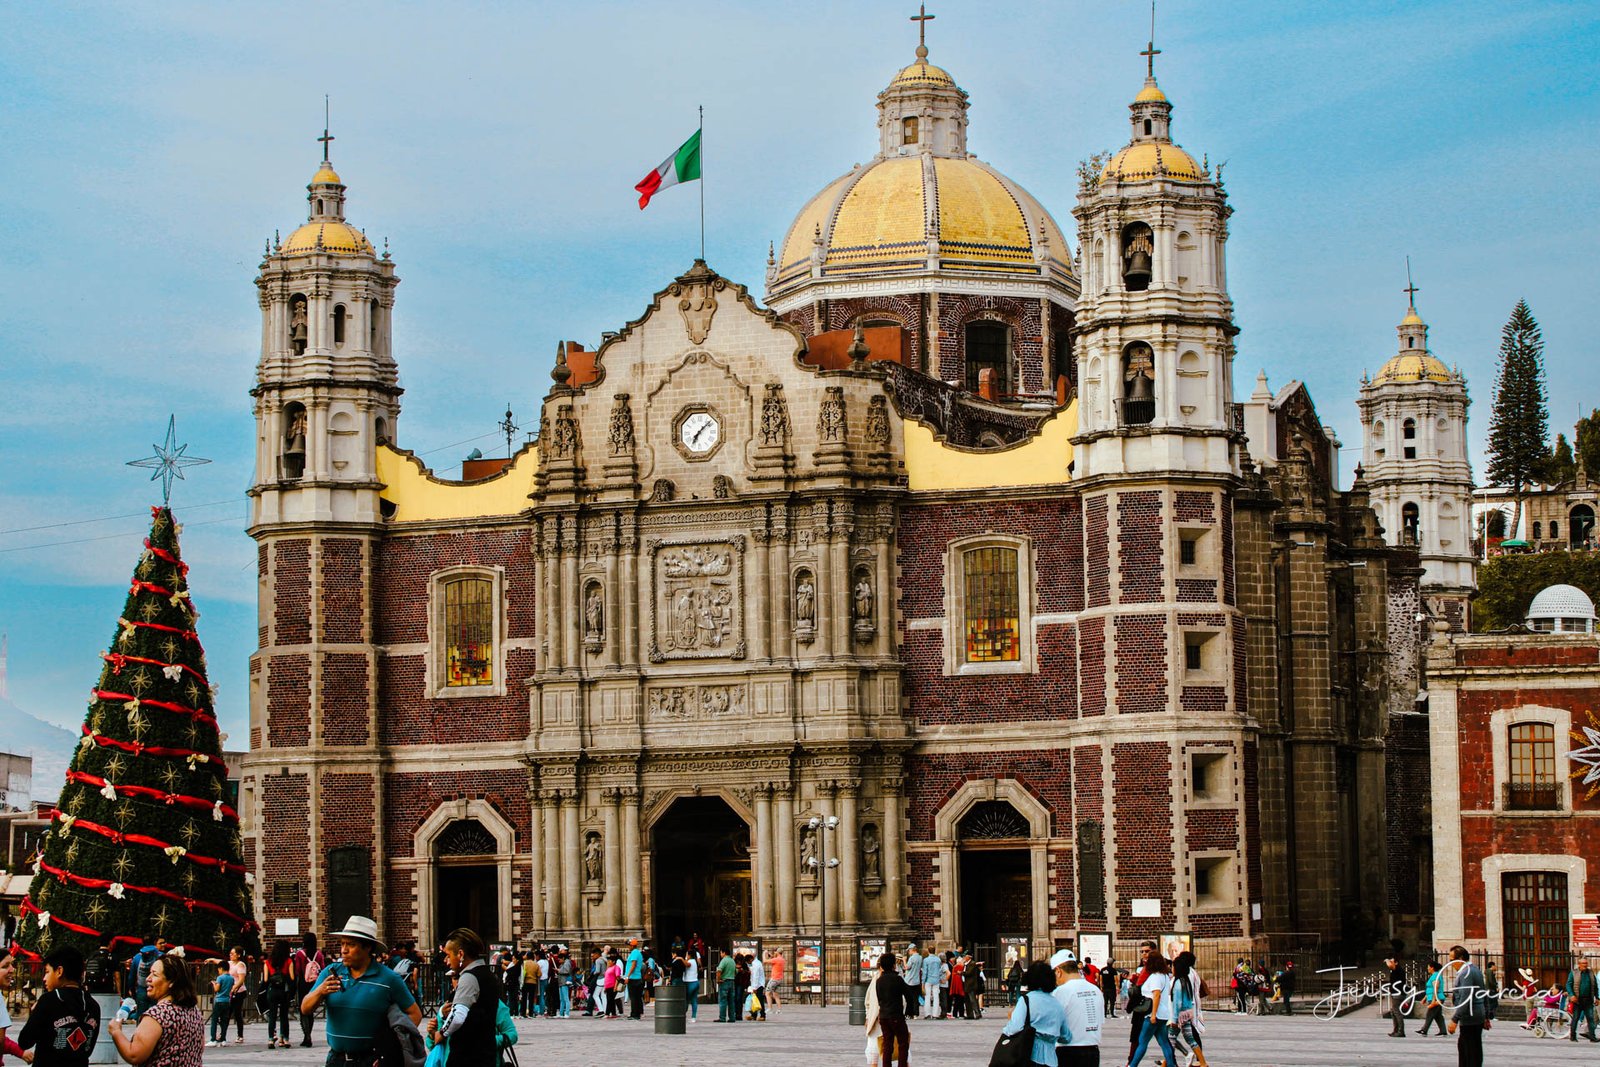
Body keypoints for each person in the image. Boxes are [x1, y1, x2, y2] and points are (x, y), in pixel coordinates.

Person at [301, 915, 423, 1067]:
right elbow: (305, 1008)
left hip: (370, 1060)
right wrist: (320, 991)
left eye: (350, 945)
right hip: (336, 1059)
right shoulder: (330, 973)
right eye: (342, 944)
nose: (344, 950)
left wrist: (391, 1048)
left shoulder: (389, 979)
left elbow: (415, 1014)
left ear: (368, 947)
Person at [108, 954, 203, 1067]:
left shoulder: (157, 1015)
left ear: (172, 981)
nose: (148, 978)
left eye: (155, 974)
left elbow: (134, 1055)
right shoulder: (194, 1011)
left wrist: (116, 1031)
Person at [427, 928, 501, 1067]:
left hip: (467, 1055)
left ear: (460, 954)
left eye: (448, 955)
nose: (446, 960)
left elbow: (458, 1015)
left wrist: (441, 1033)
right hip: (485, 1052)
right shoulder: (488, 975)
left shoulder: (469, 977)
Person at [20, 946, 101, 1067]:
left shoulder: (48, 1001)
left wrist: (35, 1013)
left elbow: (25, 1041)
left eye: (47, 972)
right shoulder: (93, 1005)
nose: (44, 978)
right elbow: (88, 1048)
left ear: (59, 971)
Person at [1001, 961, 1067, 1066]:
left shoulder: (1026, 1000)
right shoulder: (1057, 1004)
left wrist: (1008, 1023)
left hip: (1030, 1056)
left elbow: (1014, 1028)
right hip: (1051, 1060)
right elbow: (1065, 1036)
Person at [1049, 951, 1102, 1067]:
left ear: (1058, 971)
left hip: (1067, 1051)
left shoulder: (1060, 992)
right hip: (1092, 1050)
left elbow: (1052, 1023)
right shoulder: (1096, 991)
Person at [865, 952, 914, 1067]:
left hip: (884, 1016)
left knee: (887, 1044)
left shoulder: (879, 981)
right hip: (896, 1015)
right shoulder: (897, 979)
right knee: (903, 1043)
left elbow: (879, 998)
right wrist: (909, 1011)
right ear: (893, 965)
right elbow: (909, 996)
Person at [1127, 951, 1176, 1067]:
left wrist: (1153, 1015)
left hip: (1153, 1015)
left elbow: (1156, 995)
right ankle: (1171, 1065)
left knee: (1142, 1042)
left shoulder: (1155, 977)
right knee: (1164, 1043)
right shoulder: (1165, 976)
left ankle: (1132, 1065)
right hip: (1163, 1014)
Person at [1446, 945, 1488, 1067]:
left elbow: (1465, 998)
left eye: (1452, 960)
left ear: (1461, 958)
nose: (1451, 963)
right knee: (1473, 1049)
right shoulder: (1475, 970)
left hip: (1470, 1015)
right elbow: (1483, 994)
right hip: (1477, 1014)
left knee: (1468, 1052)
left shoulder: (1466, 973)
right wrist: (1486, 1016)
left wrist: (1455, 1019)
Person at [1167, 951, 1208, 1067]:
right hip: (1188, 1012)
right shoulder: (1187, 978)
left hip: (1179, 1016)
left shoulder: (1179, 982)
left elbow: (1177, 1003)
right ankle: (1202, 1062)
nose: (1171, 969)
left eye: (1173, 966)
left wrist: (1174, 1020)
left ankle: (1168, 1063)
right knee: (1190, 1038)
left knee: (1170, 1040)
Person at [1122, 941, 1156, 1067]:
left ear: (1154, 951)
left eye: (1147, 951)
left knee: (1137, 1038)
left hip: (1144, 1006)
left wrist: (1135, 982)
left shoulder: (1151, 967)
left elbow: (1139, 989)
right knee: (1163, 1039)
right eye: (1142, 951)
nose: (1144, 954)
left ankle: (1131, 1063)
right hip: (1146, 1006)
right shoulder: (1145, 966)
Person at [292, 933, 325, 1048]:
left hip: (303, 983)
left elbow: (298, 970)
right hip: (315, 984)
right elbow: (322, 968)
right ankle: (309, 1034)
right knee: (311, 1010)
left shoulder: (300, 954)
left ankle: (306, 1035)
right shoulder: (319, 954)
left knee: (303, 1009)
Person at [263, 940, 294, 1048]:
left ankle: (271, 1039)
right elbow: (292, 978)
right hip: (283, 991)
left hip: (272, 990)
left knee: (272, 1016)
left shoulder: (268, 962)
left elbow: (266, 979)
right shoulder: (289, 961)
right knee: (284, 1015)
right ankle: (284, 1038)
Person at [1567, 956, 1599, 1041]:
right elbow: (1568, 985)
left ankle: (1592, 1036)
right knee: (1576, 1018)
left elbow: (1595, 986)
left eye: (1586, 963)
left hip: (1588, 999)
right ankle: (1573, 1036)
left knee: (1591, 1018)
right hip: (1578, 1000)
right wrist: (1572, 995)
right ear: (1579, 964)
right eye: (1583, 963)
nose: (1585, 965)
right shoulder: (1573, 973)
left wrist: (1597, 997)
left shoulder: (1591, 973)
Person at [1416, 959, 1448, 1036]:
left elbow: (1435, 987)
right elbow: (1430, 989)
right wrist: (1425, 998)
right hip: (1437, 998)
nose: (1427, 969)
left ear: (1432, 968)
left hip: (1436, 998)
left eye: (1428, 967)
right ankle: (1443, 1031)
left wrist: (1434, 999)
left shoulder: (1435, 976)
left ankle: (1424, 1030)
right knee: (1438, 1016)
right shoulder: (1435, 975)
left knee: (1430, 1014)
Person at [207, 963, 234, 1048]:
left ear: (221, 968)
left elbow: (217, 989)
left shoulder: (220, 978)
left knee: (214, 1020)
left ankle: (213, 1039)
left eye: (218, 969)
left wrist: (214, 984)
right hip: (227, 1001)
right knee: (224, 1021)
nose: (218, 971)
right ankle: (223, 1039)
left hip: (219, 1000)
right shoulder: (231, 978)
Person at [1383, 956, 1407, 1038]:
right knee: (1394, 1012)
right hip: (1395, 993)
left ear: (1396, 963)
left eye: (1392, 961)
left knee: (1396, 1012)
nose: (1390, 963)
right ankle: (1396, 1030)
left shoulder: (1398, 969)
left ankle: (1400, 1031)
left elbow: (1390, 965)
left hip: (1398, 994)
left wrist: (1387, 960)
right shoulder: (1395, 970)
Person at [624, 939, 645, 1021]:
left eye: (629, 945)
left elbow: (633, 965)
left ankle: (634, 1014)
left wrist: (627, 976)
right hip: (636, 978)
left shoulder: (635, 953)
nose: (628, 947)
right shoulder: (637, 953)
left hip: (633, 978)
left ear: (632, 945)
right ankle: (636, 1013)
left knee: (634, 997)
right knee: (636, 997)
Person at [921, 947, 943, 1020]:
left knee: (927, 997)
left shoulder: (926, 960)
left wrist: (923, 982)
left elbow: (925, 972)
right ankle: (935, 1014)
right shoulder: (938, 959)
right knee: (936, 997)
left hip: (928, 979)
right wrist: (939, 978)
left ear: (928, 951)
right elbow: (940, 970)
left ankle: (927, 1014)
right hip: (936, 979)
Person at [715, 949, 737, 1023]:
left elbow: (719, 970)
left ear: (724, 952)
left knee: (723, 1000)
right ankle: (732, 1017)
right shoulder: (732, 961)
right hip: (732, 981)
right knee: (731, 1001)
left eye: (721, 953)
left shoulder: (724, 960)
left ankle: (722, 1017)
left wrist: (718, 980)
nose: (721, 954)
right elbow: (736, 971)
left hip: (724, 982)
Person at [681, 946, 699, 1023]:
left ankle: (683, 1014)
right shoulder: (695, 961)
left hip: (689, 982)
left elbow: (687, 964)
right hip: (696, 981)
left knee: (686, 1000)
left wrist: (681, 959)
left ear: (689, 955)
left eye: (686, 955)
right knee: (694, 1000)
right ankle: (693, 1017)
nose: (686, 956)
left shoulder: (690, 961)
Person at [747, 952, 766, 1021]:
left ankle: (762, 1015)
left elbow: (756, 976)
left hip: (758, 985)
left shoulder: (756, 964)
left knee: (760, 1001)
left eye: (748, 962)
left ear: (750, 959)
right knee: (754, 1000)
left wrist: (754, 987)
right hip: (757, 985)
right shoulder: (756, 963)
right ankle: (753, 1015)